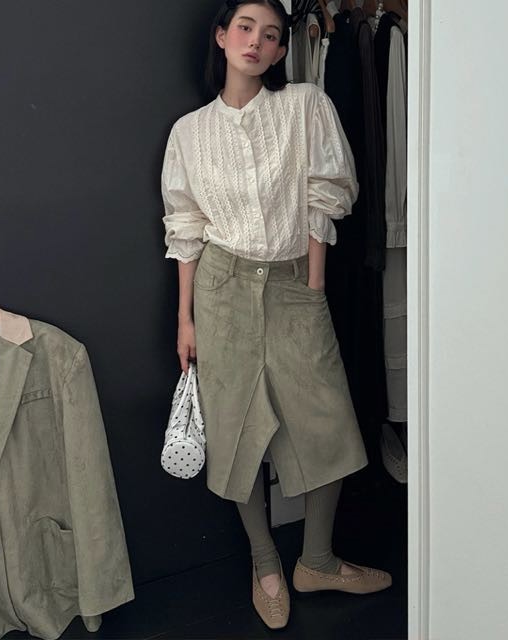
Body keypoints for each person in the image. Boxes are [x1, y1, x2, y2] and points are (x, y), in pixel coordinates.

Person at [161, 0, 391, 630]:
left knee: (328, 421)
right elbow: (186, 228)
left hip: (292, 283)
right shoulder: (189, 133)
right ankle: (266, 562)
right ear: (221, 36)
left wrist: (312, 285)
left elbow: (326, 192)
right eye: (245, 28)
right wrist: (185, 321)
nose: (256, 43)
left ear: (283, 50)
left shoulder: (304, 105)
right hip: (221, 288)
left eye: (270, 35)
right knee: (235, 429)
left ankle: (316, 560)